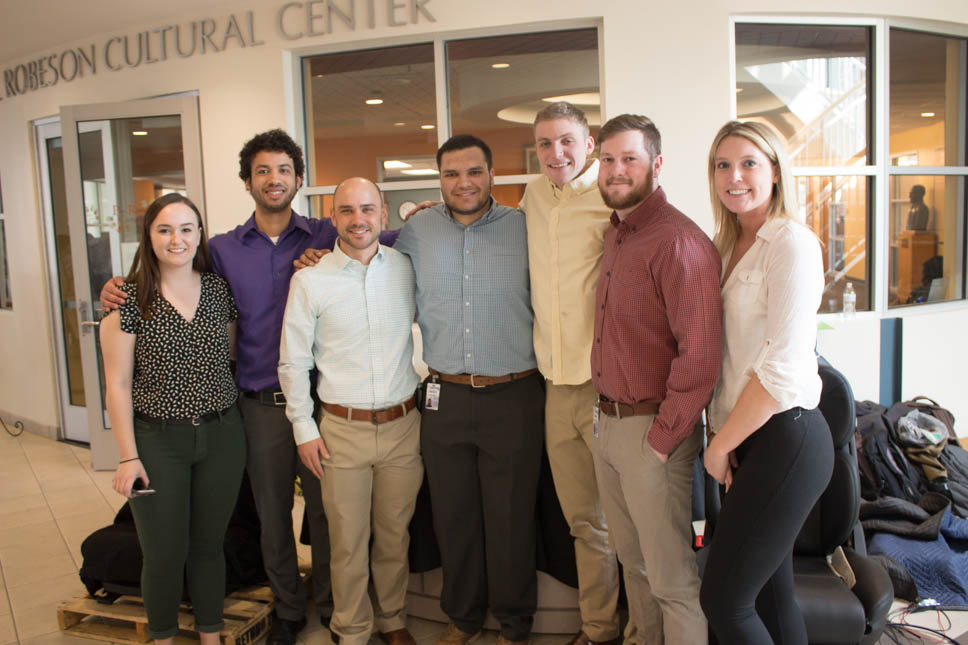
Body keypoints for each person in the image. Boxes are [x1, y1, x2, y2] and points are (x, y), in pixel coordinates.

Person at [101, 129, 398, 645]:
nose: (274, 179)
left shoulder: (327, 236)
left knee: (332, 517)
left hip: (324, 404)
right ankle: (287, 607)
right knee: (272, 514)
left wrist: (416, 215)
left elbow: (386, 238)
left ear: (299, 180)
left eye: (284, 170)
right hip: (258, 405)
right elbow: (174, 273)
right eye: (262, 171)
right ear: (248, 182)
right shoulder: (220, 250)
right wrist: (114, 287)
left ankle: (329, 605)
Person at [394, 135, 543, 645]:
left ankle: (514, 624)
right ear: (439, 180)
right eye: (452, 174)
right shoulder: (416, 232)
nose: (464, 183)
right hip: (445, 397)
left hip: (515, 395)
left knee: (510, 518)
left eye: (474, 172)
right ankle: (462, 617)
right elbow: (365, 246)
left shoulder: (525, 229)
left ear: (491, 174)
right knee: (454, 517)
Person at [699, 121, 834, 645]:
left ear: (776, 171)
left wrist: (719, 447)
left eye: (749, 163)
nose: (734, 177)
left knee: (724, 602)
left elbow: (781, 370)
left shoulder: (791, 244)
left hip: (786, 437)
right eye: (722, 165)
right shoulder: (727, 243)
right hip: (749, 436)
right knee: (769, 600)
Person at [590, 114, 722, 645]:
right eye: (607, 160)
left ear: (656, 164)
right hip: (608, 425)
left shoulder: (679, 242)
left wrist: (662, 442)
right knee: (632, 565)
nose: (616, 170)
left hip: (653, 434)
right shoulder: (617, 234)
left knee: (671, 580)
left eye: (629, 159)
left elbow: (701, 357)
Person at [279, 177, 423, 645]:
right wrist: (303, 427)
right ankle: (352, 628)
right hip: (341, 428)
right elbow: (293, 361)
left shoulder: (406, 268)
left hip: (403, 425)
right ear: (332, 218)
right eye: (346, 211)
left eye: (366, 209)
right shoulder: (309, 279)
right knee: (346, 542)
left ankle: (392, 618)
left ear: (383, 212)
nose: (358, 220)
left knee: (394, 535)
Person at [101, 193, 246, 645]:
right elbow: (117, 386)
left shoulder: (219, 291)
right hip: (157, 441)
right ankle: (161, 636)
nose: (176, 239)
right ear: (149, 236)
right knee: (163, 552)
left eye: (186, 229)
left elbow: (229, 358)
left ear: (199, 234)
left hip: (222, 435)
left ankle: (210, 634)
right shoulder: (128, 299)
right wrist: (128, 458)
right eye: (164, 229)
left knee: (208, 547)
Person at [519, 102, 625, 645]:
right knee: (584, 522)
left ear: (588, 143)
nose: (555, 153)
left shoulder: (612, 197)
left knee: (627, 524)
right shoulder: (533, 196)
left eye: (565, 141)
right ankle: (601, 629)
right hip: (555, 387)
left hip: (606, 389)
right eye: (543, 143)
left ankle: (645, 630)